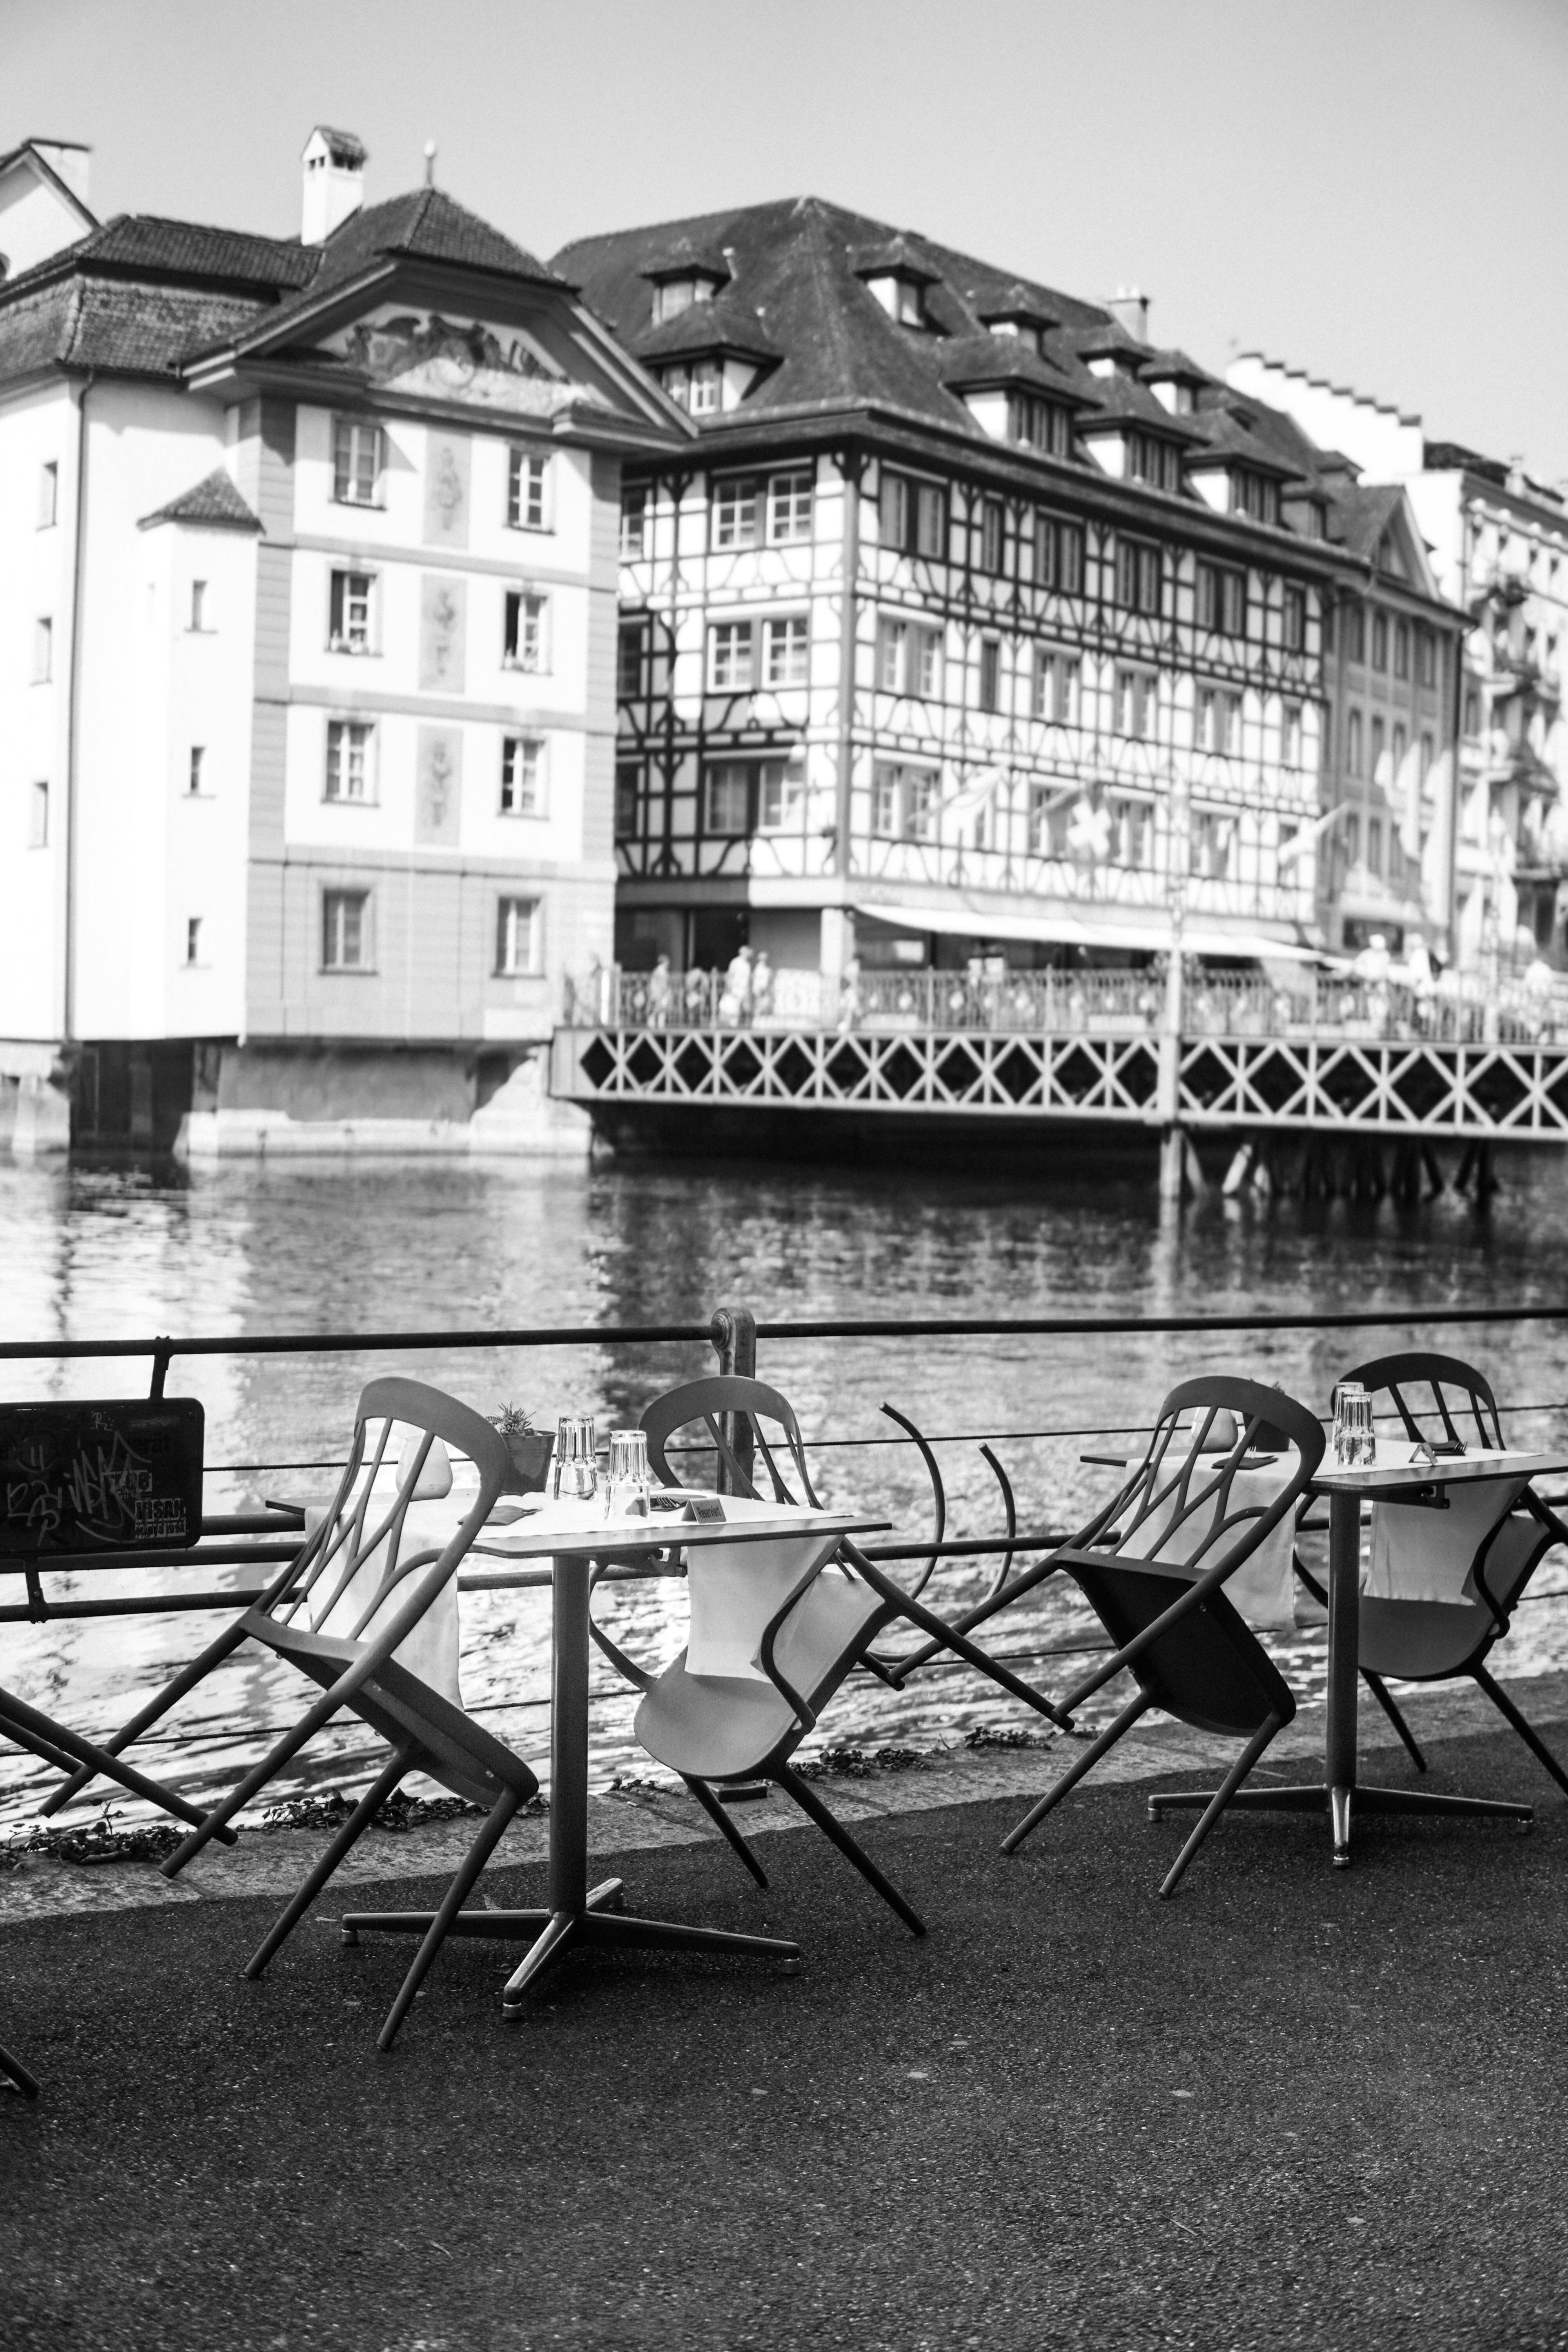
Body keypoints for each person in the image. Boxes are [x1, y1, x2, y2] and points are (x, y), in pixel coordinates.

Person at [647, 954, 671, 1029]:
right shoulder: (659, 972)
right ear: (664, 962)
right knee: (657, 1009)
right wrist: (657, 993)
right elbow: (655, 984)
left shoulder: (663, 972)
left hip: (662, 993)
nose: (668, 964)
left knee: (662, 1009)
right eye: (667, 962)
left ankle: (661, 1024)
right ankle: (652, 1023)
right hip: (659, 993)